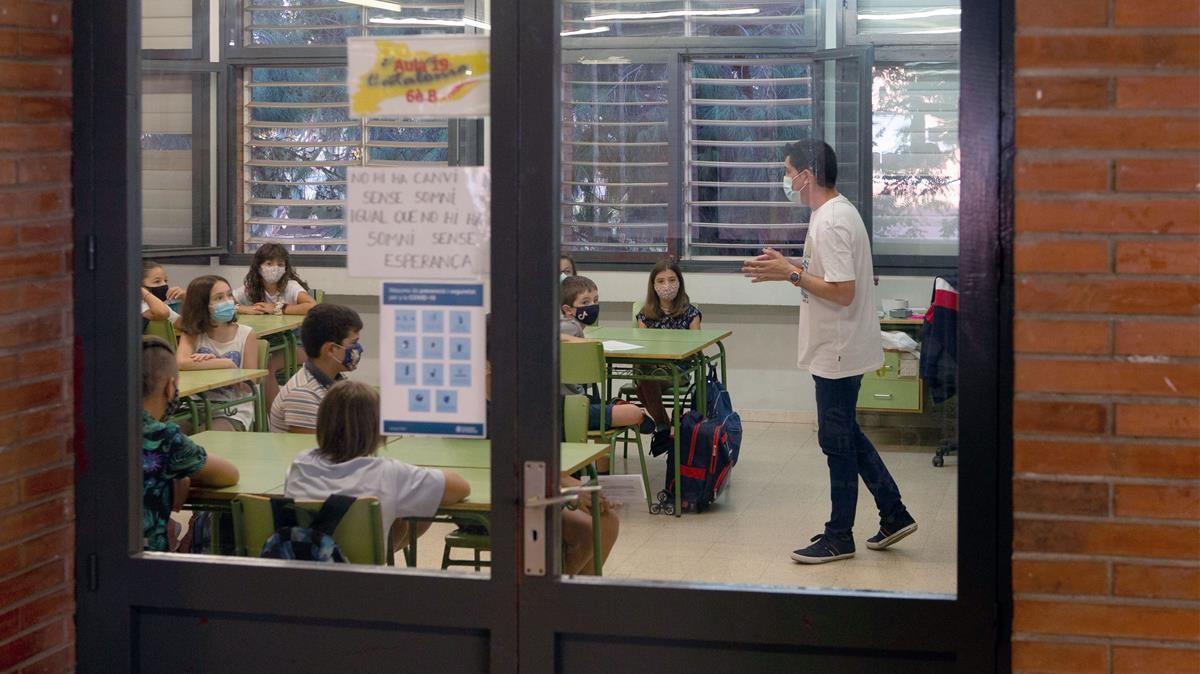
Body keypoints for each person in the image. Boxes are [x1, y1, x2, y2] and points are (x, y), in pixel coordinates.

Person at [742, 140, 917, 564]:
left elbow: (842, 292)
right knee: (843, 435)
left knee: (835, 441)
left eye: (788, 171)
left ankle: (840, 535)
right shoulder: (831, 214)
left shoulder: (832, 221)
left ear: (808, 174)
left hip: (838, 349)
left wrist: (792, 273)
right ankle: (894, 513)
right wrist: (790, 270)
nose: (786, 180)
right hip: (838, 346)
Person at [284, 381, 471, 557]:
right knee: (415, 506)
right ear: (376, 429)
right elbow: (461, 487)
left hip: (301, 578)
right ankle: (381, 559)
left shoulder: (300, 465)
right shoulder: (387, 473)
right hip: (362, 581)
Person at [141, 336, 238, 552]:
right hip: (146, 564)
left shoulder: (101, 426)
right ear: (170, 387)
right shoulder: (164, 439)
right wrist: (181, 472)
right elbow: (229, 474)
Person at [559, 275, 650, 435]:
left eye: (595, 300)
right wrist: (590, 345)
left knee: (601, 402)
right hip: (567, 410)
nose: (593, 306)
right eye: (585, 302)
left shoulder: (564, 325)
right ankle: (632, 413)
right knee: (635, 412)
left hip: (574, 400)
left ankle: (617, 405)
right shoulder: (570, 327)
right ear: (568, 310)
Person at [635, 258, 702, 453]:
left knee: (644, 384)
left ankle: (662, 427)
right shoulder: (645, 314)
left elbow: (697, 348)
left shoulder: (691, 313)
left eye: (672, 280)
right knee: (644, 378)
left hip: (678, 369)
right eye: (662, 281)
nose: (667, 285)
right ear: (653, 285)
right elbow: (642, 346)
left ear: (680, 283)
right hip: (650, 366)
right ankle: (666, 425)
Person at [176, 275, 259, 431]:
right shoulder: (193, 333)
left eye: (229, 295)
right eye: (219, 298)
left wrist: (229, 366)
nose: (227, 301)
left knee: (202, 440)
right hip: (194, 407)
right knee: (163, 439)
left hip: (232, 411)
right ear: (202, 305)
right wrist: (220, 363)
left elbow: (250, 385)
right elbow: (180, 362)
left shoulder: (246, 334)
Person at [269, 303, 363, 434]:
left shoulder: (335, 380)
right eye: (353, 343)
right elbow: (310, 452)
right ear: (330, 349)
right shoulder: (303, 395)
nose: (358, 349)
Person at [141, 260, 185, 328]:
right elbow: (162, 313)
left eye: (165, 281)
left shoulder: (162, 306)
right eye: (157, 281)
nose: (164, 284)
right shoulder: (138, 307)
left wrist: (187, 297)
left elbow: (187, 325)